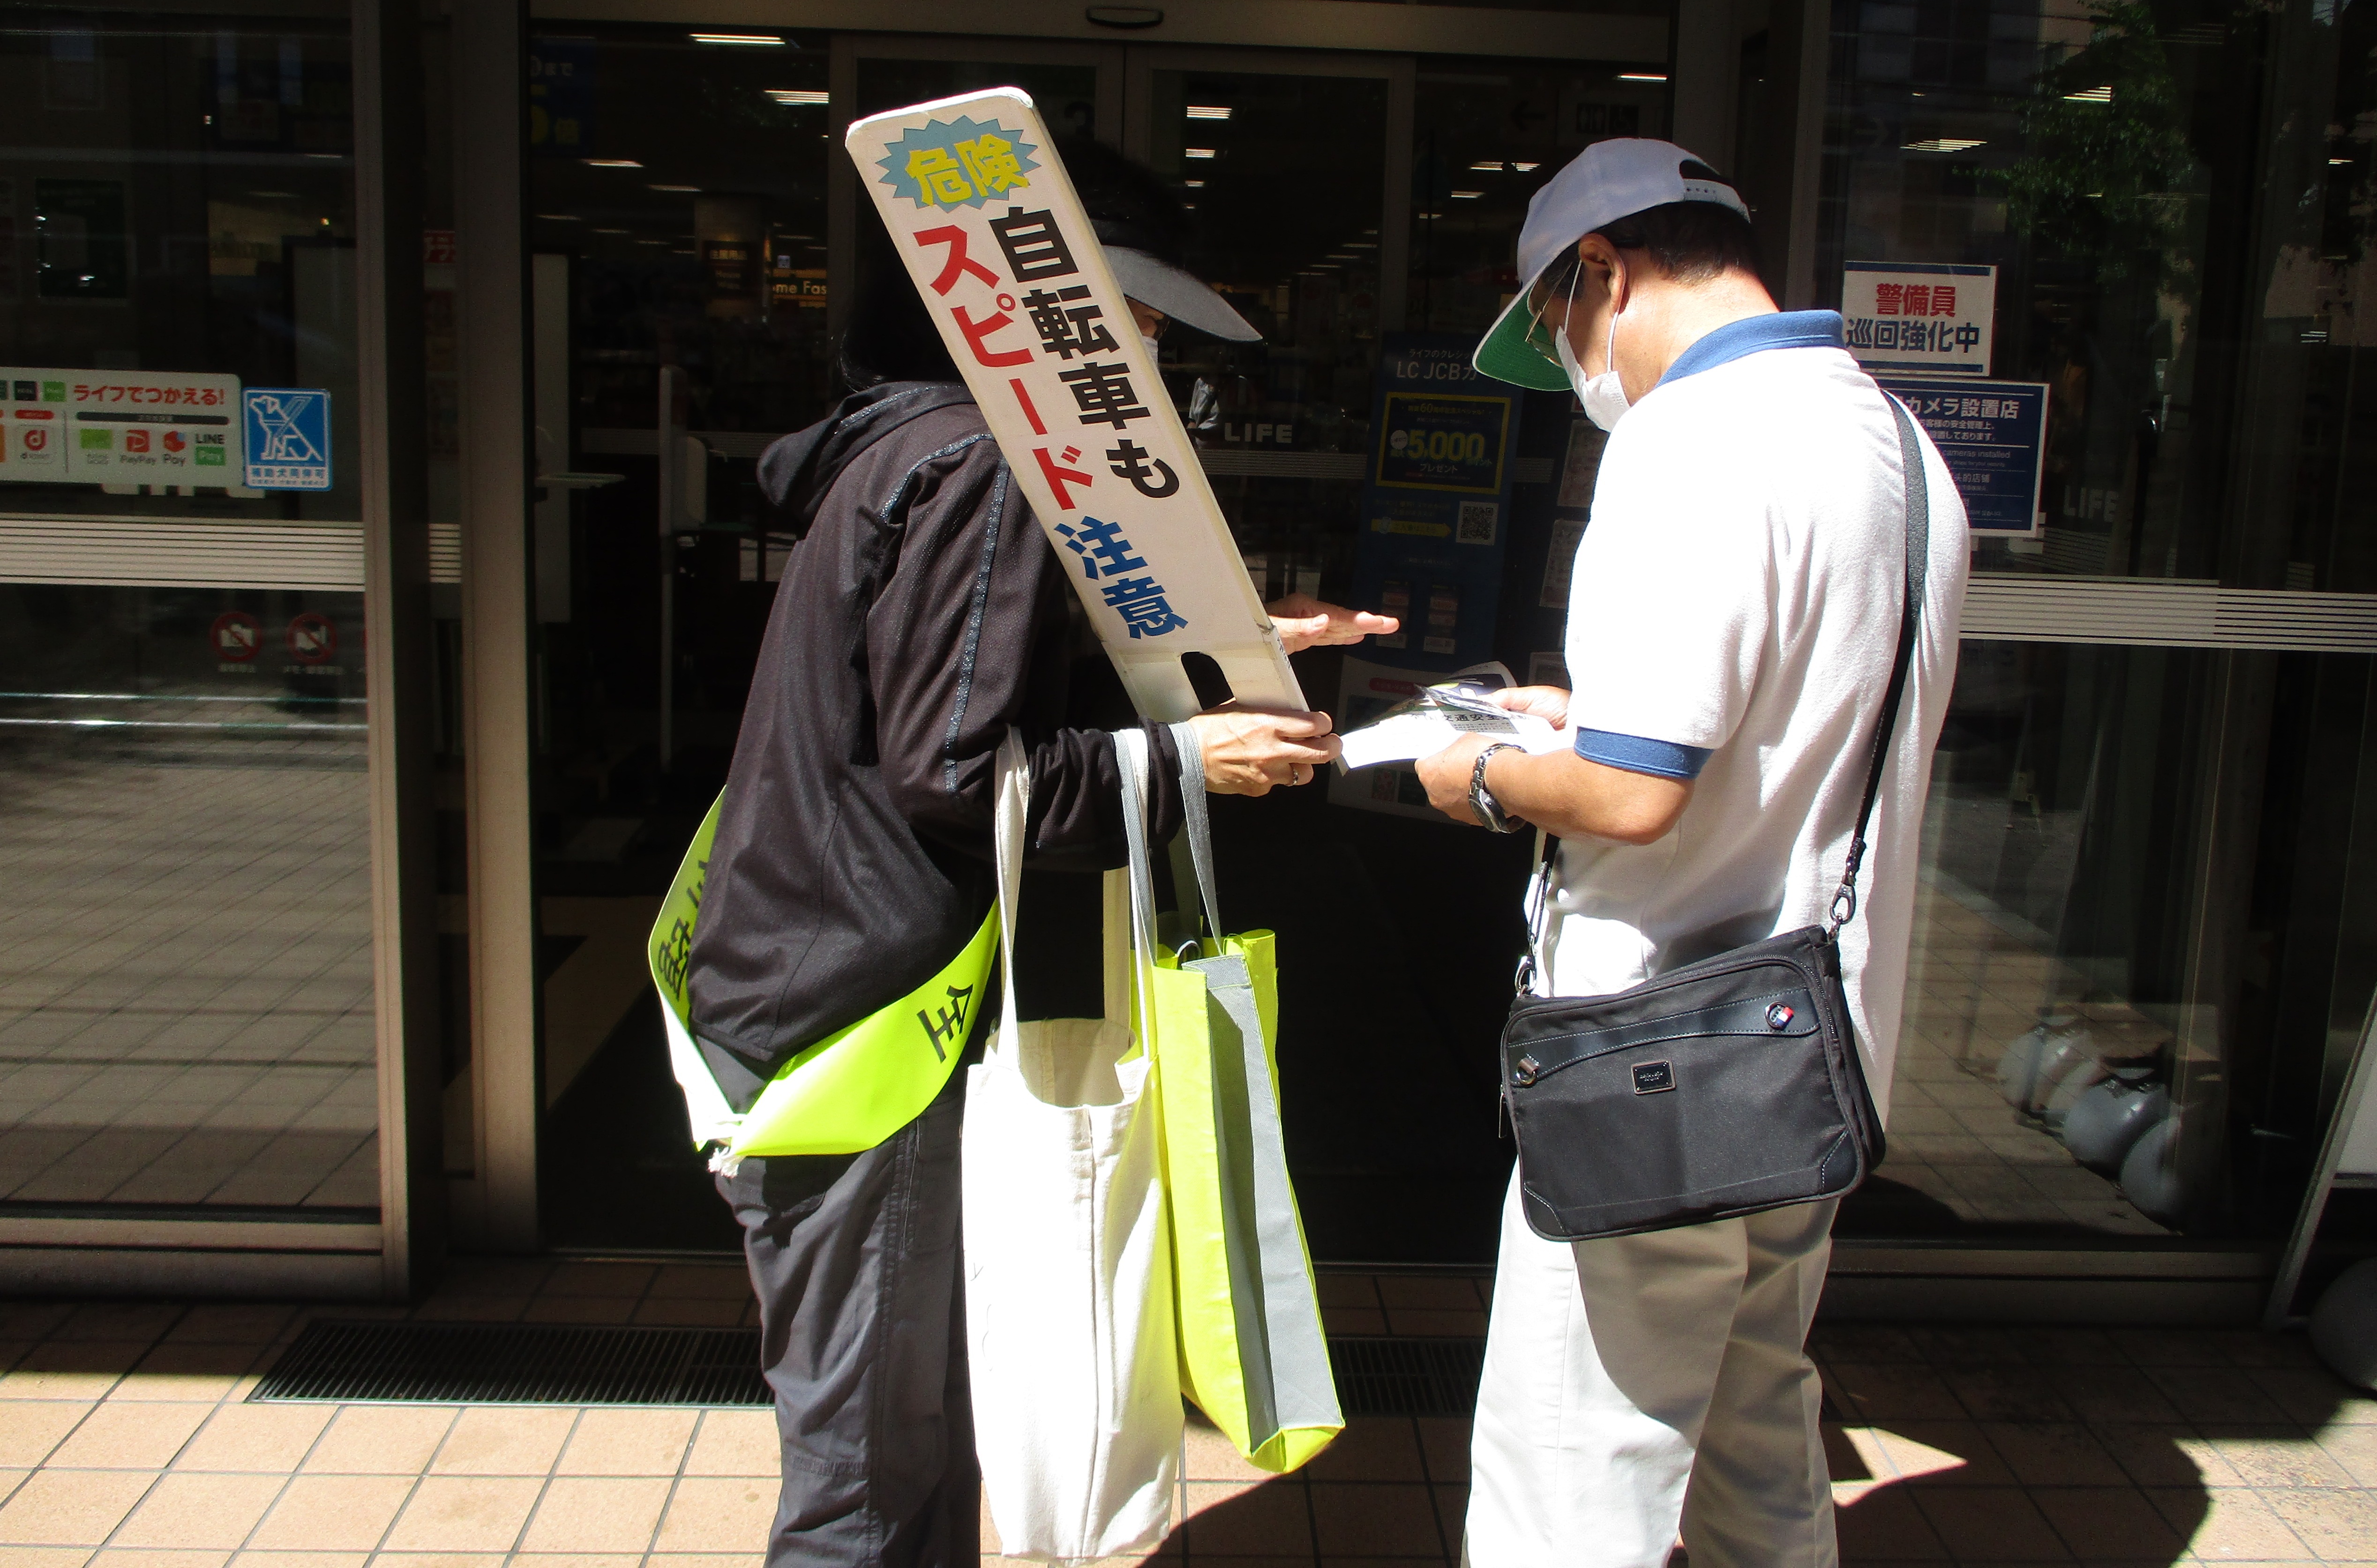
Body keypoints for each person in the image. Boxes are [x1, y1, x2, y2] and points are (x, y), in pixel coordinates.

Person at [680, 138, 1394, 1568]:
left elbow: (959, 698)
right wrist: (1187, 762)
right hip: (857, 1030)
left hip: (812, 987)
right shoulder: (988, 463)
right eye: (1116, 316)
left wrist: (1230, 650)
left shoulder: (900, 438)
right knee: (867, 1482)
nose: (1135, 348)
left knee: (904, 1442)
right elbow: (957, 771)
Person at [1417, 138, 1969, 1567]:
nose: (1579, 368)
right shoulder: (1895, 443)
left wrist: (1469, 773)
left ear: (1602, 272)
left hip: (1655, 1051)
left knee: (1573, 1462)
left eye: (1560, 328)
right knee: (1751, 1422)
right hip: (1812, 1045)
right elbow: (1788, 712)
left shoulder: (1688, 442)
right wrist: (1579, 719)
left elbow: (1631, 797)